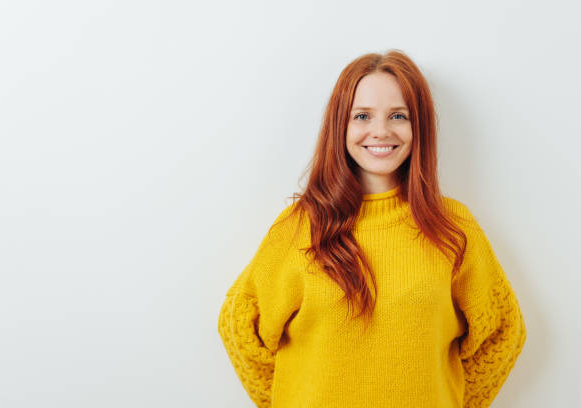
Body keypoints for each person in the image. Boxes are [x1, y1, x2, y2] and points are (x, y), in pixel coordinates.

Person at [217, 49, 526, 408]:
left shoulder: (453, 227)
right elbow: (239, 328)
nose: (380, 131)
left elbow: (502, 334)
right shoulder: (299, 227)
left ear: (419, 126)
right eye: (362, 116)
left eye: (398, 115)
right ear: (340, 126)